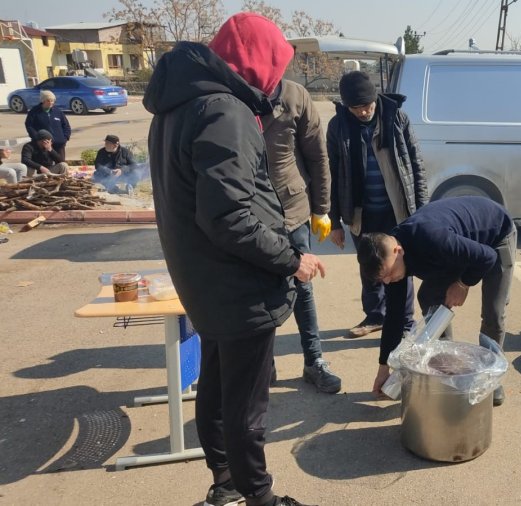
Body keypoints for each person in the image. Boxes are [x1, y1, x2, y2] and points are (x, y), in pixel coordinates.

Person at [143, 13, 319, 506]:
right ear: (256, 63)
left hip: (204, 280)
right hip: (238, 285)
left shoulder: (180, 104)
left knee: (218, 388)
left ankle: (225, 485)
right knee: (247, 406)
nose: (279, 80)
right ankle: (258, 498)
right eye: (276, 66)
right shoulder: (225, 111)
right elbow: (230, 218)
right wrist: (291, 259)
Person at [357, 196, 517, 406]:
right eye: (382, 279)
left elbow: (486, 257)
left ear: (398, 251)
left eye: (389, 273)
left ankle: (490, 379)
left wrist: (462, 283)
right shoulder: (392, 264)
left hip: (495, 236)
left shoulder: (430, 238)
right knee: (429, 297)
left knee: (493, 313)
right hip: (456, 250)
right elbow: (394, 318)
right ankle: (448, 367)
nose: (388, 280)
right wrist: (383, 368)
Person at [326, 70, 429, 338]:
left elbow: (416, 166)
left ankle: (405, 323)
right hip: (362, 211)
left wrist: (424, 211)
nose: (363, 112)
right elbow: (333, 174)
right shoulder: (338, 127)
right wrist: (334, 221)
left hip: (397, 209)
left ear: (376, 98)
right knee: (370, 266)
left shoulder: (397, 118)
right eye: (356, 108)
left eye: (367, 106)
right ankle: (376, 316)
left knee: (399, 267)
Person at [261, 78, 341, 393]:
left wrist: (321, 209)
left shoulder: (295, 95)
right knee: (257, 290)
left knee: (302, 287)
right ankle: (263, 365)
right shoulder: (233, 92)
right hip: (250, 213)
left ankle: (314, 360)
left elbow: (317, 156)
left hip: (291, 209)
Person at [25, 90, 71, 160]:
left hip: (59, 144)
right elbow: (29, 126)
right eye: (48, 101)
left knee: (61, 164)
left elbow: (66, 126)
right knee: (47, 165)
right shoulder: (34, 112)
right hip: (43, 144)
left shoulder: (57, 111)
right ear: (43, 101)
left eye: (52, 101)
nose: (51, 103)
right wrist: (37, 139)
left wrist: (65, 138)